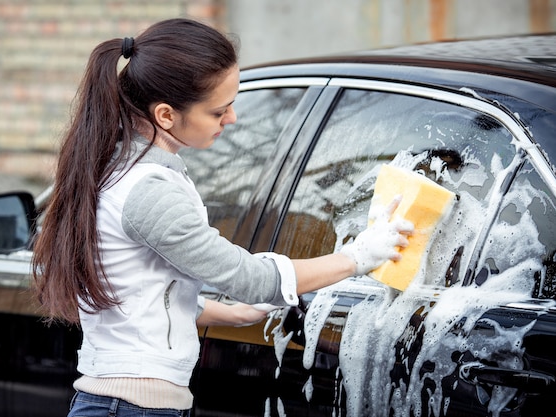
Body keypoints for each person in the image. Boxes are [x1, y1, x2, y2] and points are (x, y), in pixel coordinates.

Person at [31, 18, 413, 417]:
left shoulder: (116, 168)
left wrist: (230, 314)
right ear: (165, 115)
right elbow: (249, 278)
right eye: (219, 111)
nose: (232, 120)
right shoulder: (148, 191)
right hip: (131, 408)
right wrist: (360, 255)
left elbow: (137, 289)